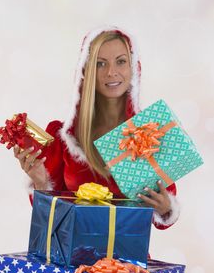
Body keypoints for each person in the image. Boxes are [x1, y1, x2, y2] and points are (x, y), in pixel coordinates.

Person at [14, 26, 179, 229]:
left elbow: (163, 221)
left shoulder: (149, 136)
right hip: (75, 258)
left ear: (133, 68)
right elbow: (49, 219)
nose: (111, 72)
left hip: (128, 259)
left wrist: (164, 208)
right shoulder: (64, 138)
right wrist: (40, 182)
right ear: (87, 71)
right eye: (100, 64)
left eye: (121, 61)